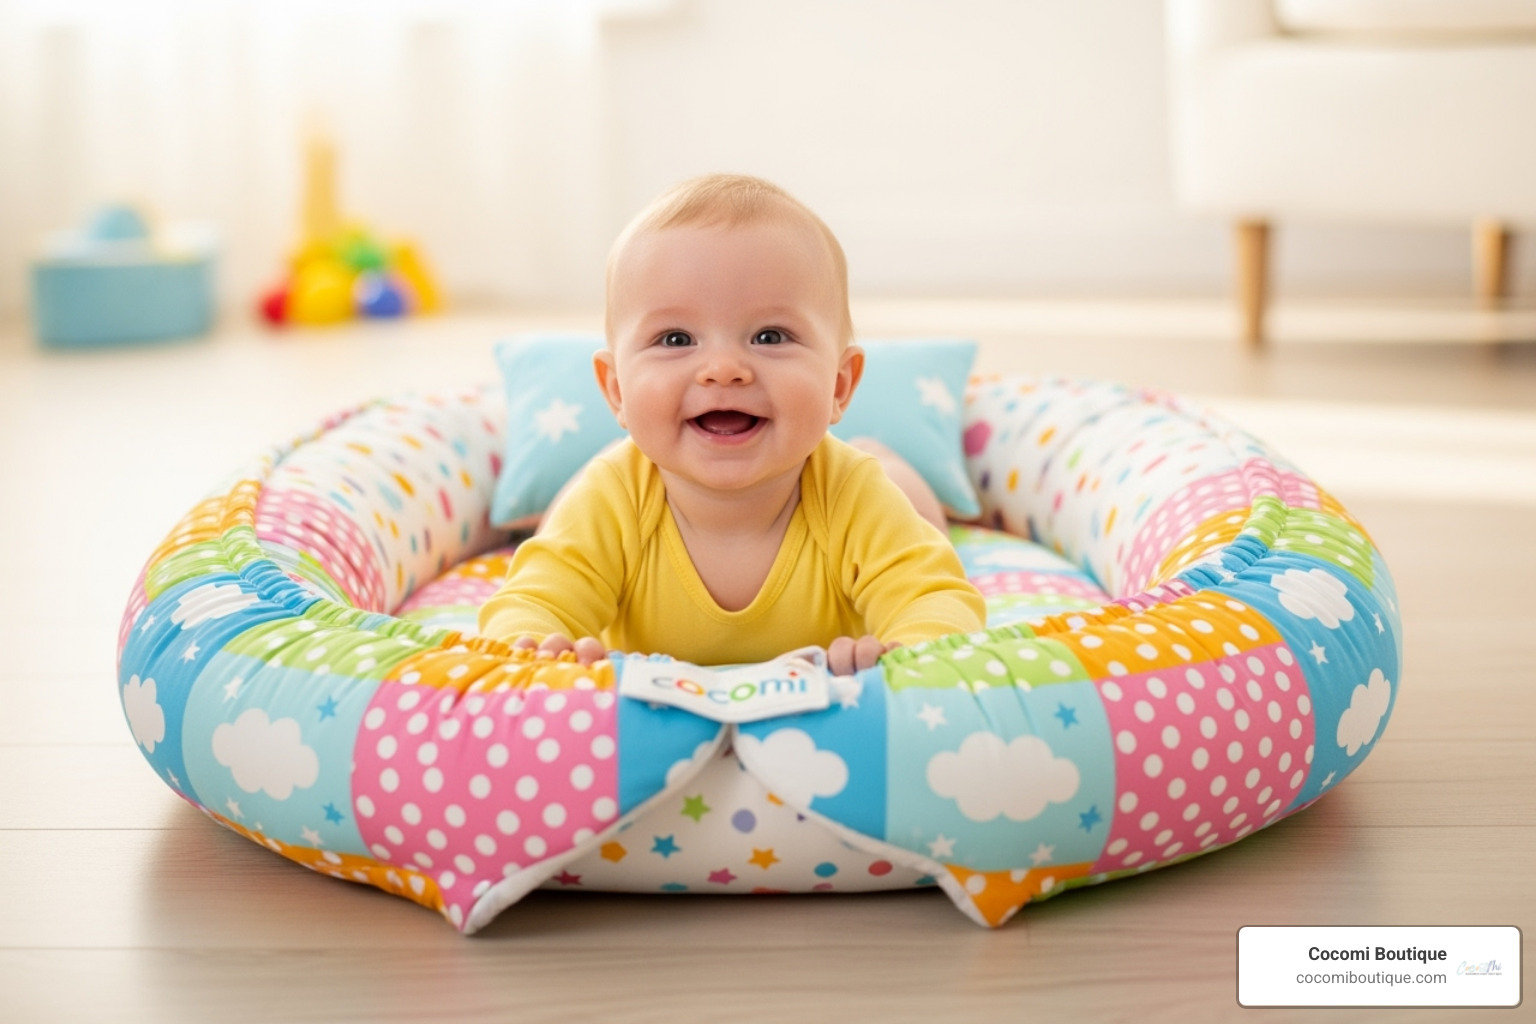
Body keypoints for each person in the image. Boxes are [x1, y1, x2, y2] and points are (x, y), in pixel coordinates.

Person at [478, 173, 984, 675]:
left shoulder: (853, 493)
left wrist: (910, 650)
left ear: (838, 385)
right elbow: (527, 604)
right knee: (565, 511)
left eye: (769, 336)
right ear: (616, 391)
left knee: (912, 504)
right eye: (676, 339)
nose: (724, 368)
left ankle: (896, 460)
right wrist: (539, 655)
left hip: (877, 492)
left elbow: (935, 598)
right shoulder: (612, 499)